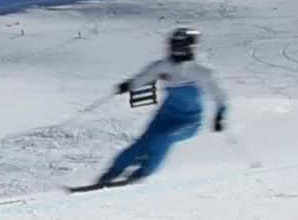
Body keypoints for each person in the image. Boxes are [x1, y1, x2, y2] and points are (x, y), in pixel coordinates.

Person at [92, 27, 228, 186]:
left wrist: (220, 115)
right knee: (142, 143)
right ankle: (109, 175)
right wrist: (128, 85)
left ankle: (141, 173)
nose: (176, 51)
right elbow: (145, 77)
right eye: (174, 46)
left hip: (189, 121)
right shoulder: (163, 66)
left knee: (164, 138)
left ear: (190, 48)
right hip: (164, 116)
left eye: (181, 47)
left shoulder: (201, 72)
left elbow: (219, 95)